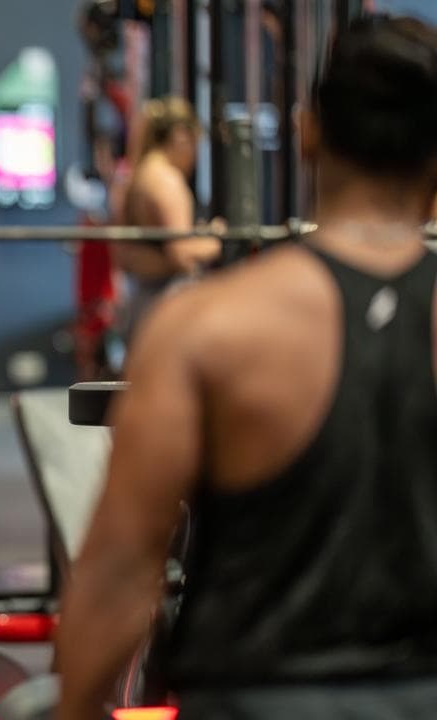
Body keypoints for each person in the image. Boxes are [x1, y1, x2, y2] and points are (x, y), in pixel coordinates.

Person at [56, 15, 437, 719]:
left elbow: (120, 570)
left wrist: (75, 708)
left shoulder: (209, 329)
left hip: (255, 698)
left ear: (307, 132)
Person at [113, 96, 221, 338]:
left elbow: (124, 255)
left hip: (142, 301)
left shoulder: (139, 175)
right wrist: (216, 239)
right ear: (180, 136)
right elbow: (180, 255)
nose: (194, 157)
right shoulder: (166, 182)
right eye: (194, 144)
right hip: (164, 302)